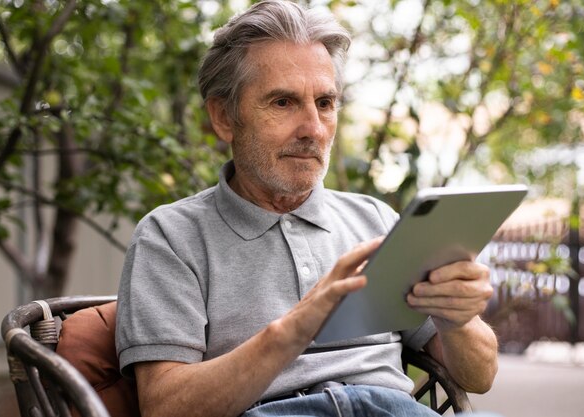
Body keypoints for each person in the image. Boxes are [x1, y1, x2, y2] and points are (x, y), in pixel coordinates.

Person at [116, 1, 498, 416]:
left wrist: (458, 320)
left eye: (325, 103)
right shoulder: (171, 236)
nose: (313, 129)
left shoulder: (376, 221)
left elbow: (480, 377)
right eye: (283, 102)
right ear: (223, 117)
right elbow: (164, 408)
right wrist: (296, 328)